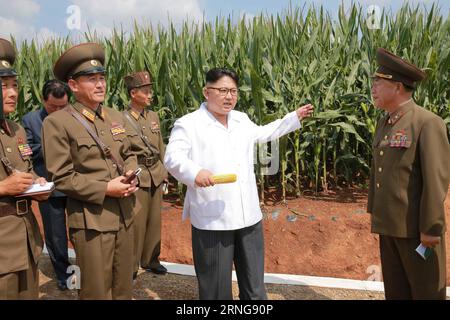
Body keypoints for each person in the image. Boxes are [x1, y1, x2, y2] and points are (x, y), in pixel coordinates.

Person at [164, 67, 314, 300]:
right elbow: (173, 158)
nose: (229, 96)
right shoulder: (189, 124)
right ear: (206, 91)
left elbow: (263, 133)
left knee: (254, 287)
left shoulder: (241, 119)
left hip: (248, 217)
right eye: (222, 90)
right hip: (214, 219)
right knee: (215, 290)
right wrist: (195, 172)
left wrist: (292, 118)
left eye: (233, 91)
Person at [41, 42, 139, 300]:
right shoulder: (57, 123)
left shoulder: (115, 116)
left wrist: (131, 173)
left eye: (102, 78)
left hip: (125, 215)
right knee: (96, 290)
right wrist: (106, 188)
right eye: (91, 79)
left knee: (124, 288)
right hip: (92, 221)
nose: (100, 85)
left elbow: (129, 153)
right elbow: (61, 177)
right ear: (73, 85)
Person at [367, 48, 450, 300]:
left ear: (398, 86)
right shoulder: (385, 123)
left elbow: (436, 179)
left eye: (379, 82)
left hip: (417, 232)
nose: (373, 88)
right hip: (390, 227)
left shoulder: (426, 122)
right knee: (396, 293)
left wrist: (431, 227)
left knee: (426, 294)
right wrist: (376, 212)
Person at [0, 38, 49, 299]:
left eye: (14, 85)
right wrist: (3, 187)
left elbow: (27, 168)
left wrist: (37, 184)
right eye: (3, 86)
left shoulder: (16, 130)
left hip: (26, 236)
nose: (12, 92)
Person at [22, 79, 71, 291]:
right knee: (56, 233)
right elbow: (26, 151)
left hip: (77, 184)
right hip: (48, 185)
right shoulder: (30, 120)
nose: (59, 111)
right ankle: (64, 275)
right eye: (53, 107)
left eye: (63, 107)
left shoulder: (76, 116)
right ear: (43, 101)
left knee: (83, 228)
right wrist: (54, 145)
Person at [123, 71, 168, 278]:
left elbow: (160, 146)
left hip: (156, 173)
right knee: (137, 222)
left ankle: (151, 259)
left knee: (154, 221)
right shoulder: (121, 119)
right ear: (133, 93)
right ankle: (130, 265)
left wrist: (165, 172)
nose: (151, 95)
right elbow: (123, 152)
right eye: (146, 91)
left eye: (151, 91)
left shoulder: (153, 116)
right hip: (138, 174)